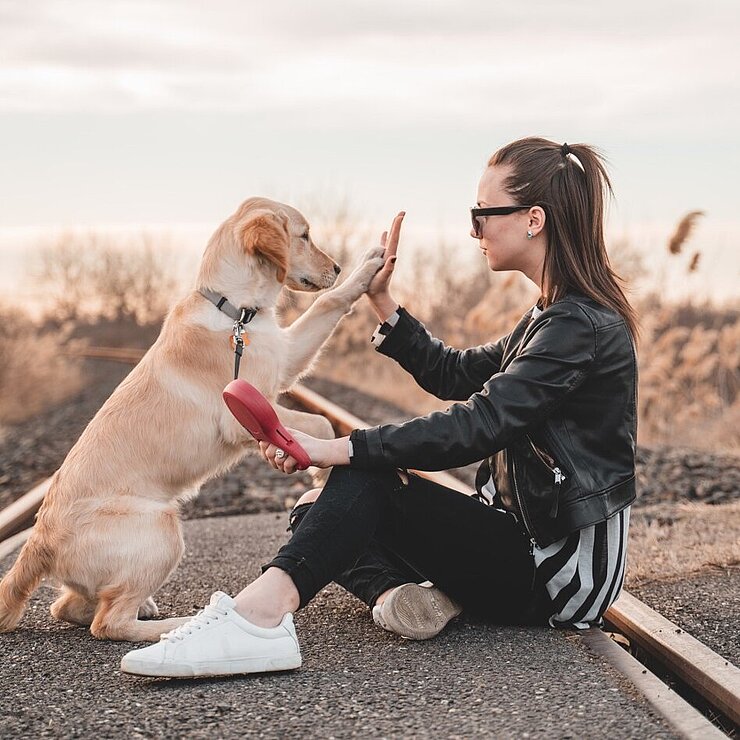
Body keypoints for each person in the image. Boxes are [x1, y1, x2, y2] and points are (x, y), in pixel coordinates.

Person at [121, 137, 639, 678]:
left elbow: (478, 425)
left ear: (533, 219)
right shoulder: (550, 317)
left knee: (362, 483)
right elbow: (454, 373)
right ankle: (406, 597)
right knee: (316, 511)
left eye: (482, 214)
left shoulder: (578, 327)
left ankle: (257, 620)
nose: (473, 230)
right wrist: (382, 300)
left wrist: (339, 448)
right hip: (516, 538)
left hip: (557, 571)